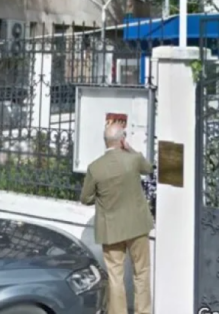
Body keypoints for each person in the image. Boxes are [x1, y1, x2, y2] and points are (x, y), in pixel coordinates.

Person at [80, 122, 154, 314]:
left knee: (115, 276)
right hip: (137, 225)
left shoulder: (95, 168)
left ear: (105, 142)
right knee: (142, 273)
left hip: (111, 228)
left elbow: (85, 198)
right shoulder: (133, 160)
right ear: (122, 140)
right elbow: (148, 168)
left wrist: (102, 197)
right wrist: (130, 149)